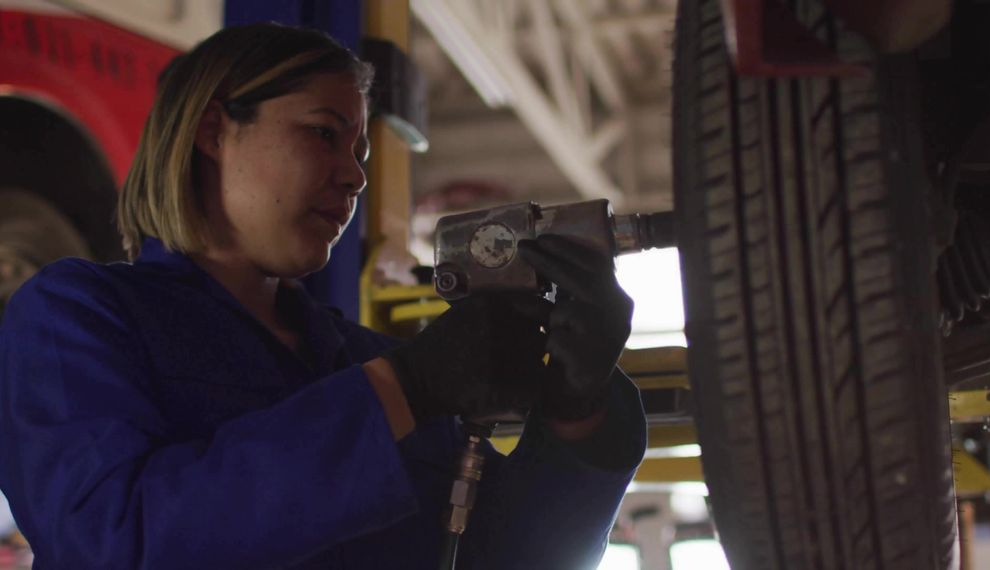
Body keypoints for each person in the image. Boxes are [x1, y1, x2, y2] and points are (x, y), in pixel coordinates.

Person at [0, 22, 646, 570]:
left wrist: (577, 414)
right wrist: (401, 391)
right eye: (324, 133)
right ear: (212, 131)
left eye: (362, 150)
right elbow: (111, 539)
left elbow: (499, 557)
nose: (356, 174)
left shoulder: (361, 357)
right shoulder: (77, 313)